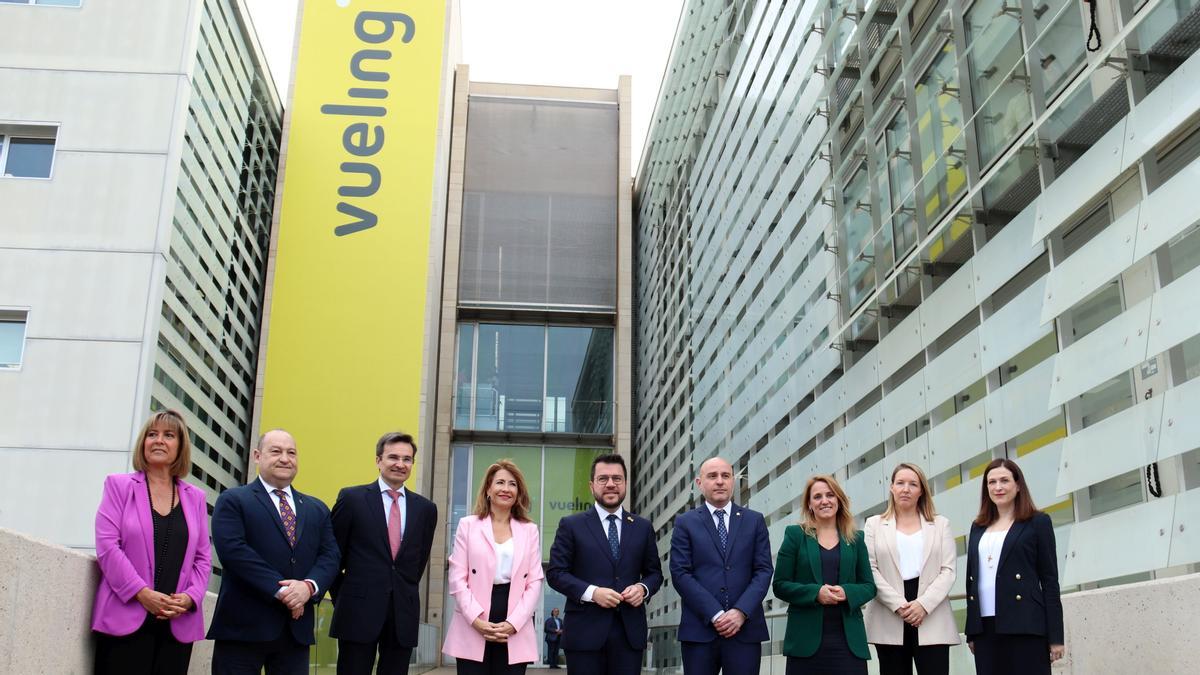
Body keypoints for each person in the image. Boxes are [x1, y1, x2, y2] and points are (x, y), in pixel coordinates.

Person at [207, 429, 340, 674]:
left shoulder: (316, 509)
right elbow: (234, 552)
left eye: (291, 453)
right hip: (242, 630)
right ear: (257, 456)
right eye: (276, 451)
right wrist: (284, 591)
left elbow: (330, 556)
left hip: (295, 632)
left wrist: (308, 587)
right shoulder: (234, 500)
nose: (285, 458)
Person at [92, 410, 211, 675]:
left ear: (180, 447)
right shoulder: (118, 486)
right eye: (152, 434)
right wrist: (141, 593)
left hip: (176, 623)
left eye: (168, 435)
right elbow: (107, 546)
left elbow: (203, 558)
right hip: (126, 616)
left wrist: (191, 597)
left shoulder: (196, 498)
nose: (158, 440)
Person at [330, 432, 438, 674]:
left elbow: (418, 563)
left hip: (402, 615)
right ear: (378, 460)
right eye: (393, 457)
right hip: (357, 612)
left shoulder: (426, 509)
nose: (400, 464)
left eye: (407, 459)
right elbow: (332, 557)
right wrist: (346, 597)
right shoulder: (352, 499)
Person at [546, 453, 663, 674]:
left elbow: (654, 573)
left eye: (617, 479)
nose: (610, 484)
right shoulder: (571, 525)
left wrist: (643, 588)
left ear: (625, 484)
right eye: (603, 479)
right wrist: (592, 592)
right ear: (592, 486)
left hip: (629, 635)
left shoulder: (642, 527)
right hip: (584, 635)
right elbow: (556, 573)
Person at [669, 456, 773, 674]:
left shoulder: (754, 520)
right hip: (700, 631)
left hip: (744, 631)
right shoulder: (685, 523)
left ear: (733, 481)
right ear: (699, 483)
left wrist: (740, 612)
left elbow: (763, 570)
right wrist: (716, 613)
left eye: (725, 476)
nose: (719, 481)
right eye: (712, 476)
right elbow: (680, 573)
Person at [443, 459, 544, 674]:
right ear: (488, 489)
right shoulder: (467, 525)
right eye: (500, 483)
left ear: (519, 493)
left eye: (512, 484)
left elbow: (535, 580)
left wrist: (514, 622)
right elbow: (457, 577)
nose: (506, 489)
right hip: (474, 618)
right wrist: (476, 620)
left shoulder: (530, 530)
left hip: (514, 620)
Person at [965, 458, 1065, 675]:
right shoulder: (978, 527)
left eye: (1004, 480)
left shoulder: (1037, 522)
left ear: (1018, 485)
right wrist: (972, 631)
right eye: (991, 482)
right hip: (985, 627)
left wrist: (1056, 636)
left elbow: (1049, 581)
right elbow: (971, 580)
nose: (998, 487)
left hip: (1025, 624)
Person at [772, 474, 876, 674]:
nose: (825, 501)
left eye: (830, 495)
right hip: (804, 642)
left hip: (848, 642)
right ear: (809, 504)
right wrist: (815, 593)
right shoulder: (795, 535)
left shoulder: (856, 538)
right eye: (817, 497)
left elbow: (869, 586)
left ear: (839, 500)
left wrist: (847, 592)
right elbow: (780, 584)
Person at [864, 463, 958, 675]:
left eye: (913, 484)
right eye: (900, 483)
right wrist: (899, 605)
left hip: (931, 612)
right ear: (891, 488)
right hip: (889, 612)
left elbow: (948, 569)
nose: (906, 489)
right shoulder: (874, 524)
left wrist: (923, 605)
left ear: (921, 490)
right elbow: (869, 569)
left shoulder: (941, 524)